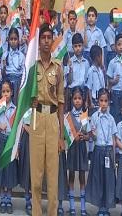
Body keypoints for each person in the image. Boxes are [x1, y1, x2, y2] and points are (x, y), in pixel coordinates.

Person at [29, 24, 65, 216]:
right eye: (42, 37)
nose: (45, 41)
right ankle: (36, 213)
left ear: (52, 41)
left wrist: (61, 135)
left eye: (49, 37)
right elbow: (24, 97)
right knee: (36, 177)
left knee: (52, 177)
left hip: (52, 120)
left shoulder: (58, 68)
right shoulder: (31, 66)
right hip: (35, 119)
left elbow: (61, 101)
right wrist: (26, 124)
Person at [86, 88, 117, 215]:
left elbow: (114, 139)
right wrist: (91, 134)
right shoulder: (94, 116)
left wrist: (113, 155)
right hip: (98, 150)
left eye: (106, 101)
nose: (103, 103)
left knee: (108, 179)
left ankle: (107, 207)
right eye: (101, 100)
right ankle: (100, 207)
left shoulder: (111, 118)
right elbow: (92, 138)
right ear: (98, 101)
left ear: (109, 102)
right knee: (99, 179)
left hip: (108, 150)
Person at [0, 81, 18, 214]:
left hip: (11, 142)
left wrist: (17, 146)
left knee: (10, 171)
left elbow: (18, 129)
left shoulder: (15, 109)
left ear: (12, 92)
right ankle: (2, 199)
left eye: (7, 91)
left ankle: (9, 199)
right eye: (3, 91)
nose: (5, 94)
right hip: (1, 140)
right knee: (1, 170)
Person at [66, 87, 90, 216]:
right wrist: (71, 136)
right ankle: (71, 207)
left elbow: (88, 135)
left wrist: (84, 136)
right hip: (72, 147)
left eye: (79, 98)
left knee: (81, 177)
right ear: (72, 100)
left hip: (81, 148)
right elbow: (66, 133)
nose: (77, 101)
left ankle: (82, 207)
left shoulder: (84, 115)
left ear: (83, 100)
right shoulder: (68, 115)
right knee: (71, 175)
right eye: (75, 98)